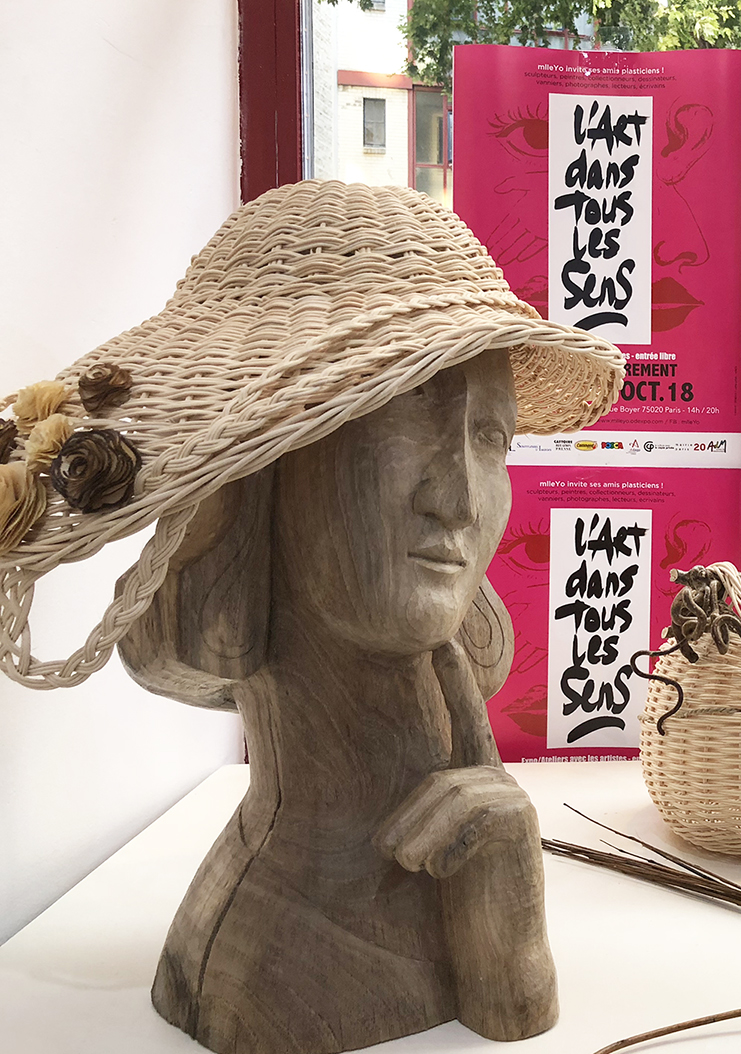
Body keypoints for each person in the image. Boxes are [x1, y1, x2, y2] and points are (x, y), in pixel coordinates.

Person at [0, 180, 625, 1054]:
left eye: (492, 436)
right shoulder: (271, 966)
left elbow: (513, 1018)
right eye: (405, 416)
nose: (457, 495)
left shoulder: (456, 725)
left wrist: (505, 898)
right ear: (269, 469)